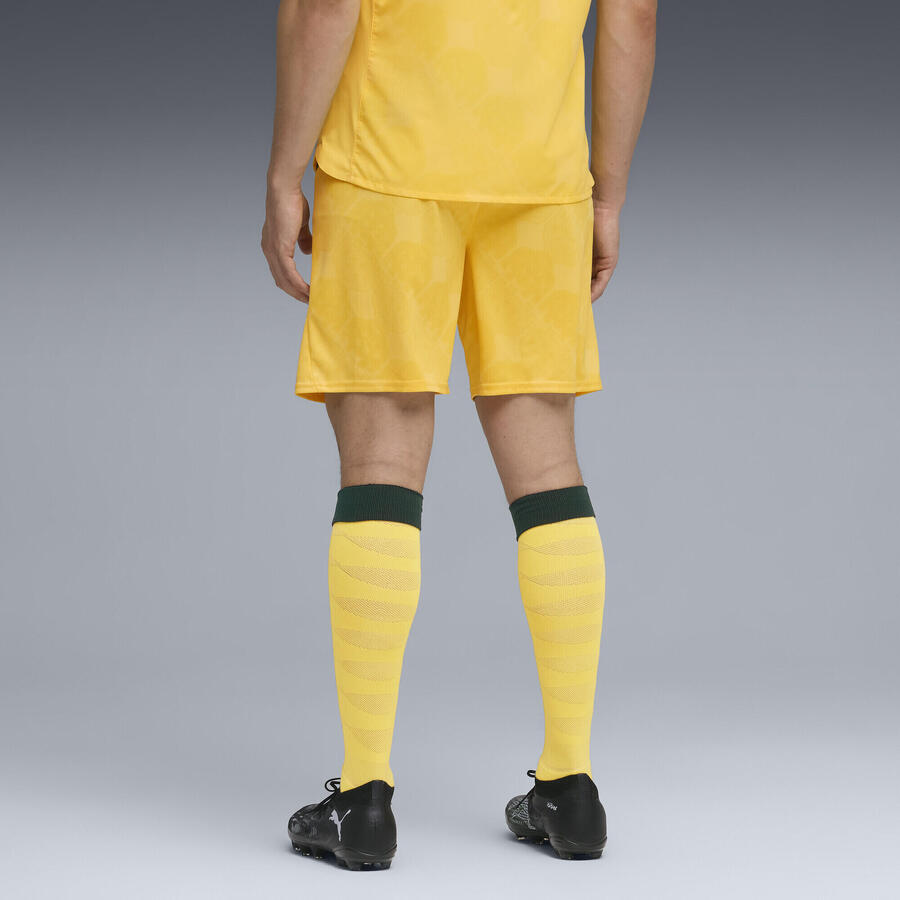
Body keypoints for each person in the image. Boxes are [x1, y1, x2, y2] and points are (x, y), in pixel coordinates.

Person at [261, 0, 656, 870]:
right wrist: (609, 193)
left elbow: (326, 5)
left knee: (381, 461)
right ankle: (571, 786)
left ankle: (363, 798)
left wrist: (284, 173)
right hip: (541, 173)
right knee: (548, 466)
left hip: (388, 162)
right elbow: (633, 14)